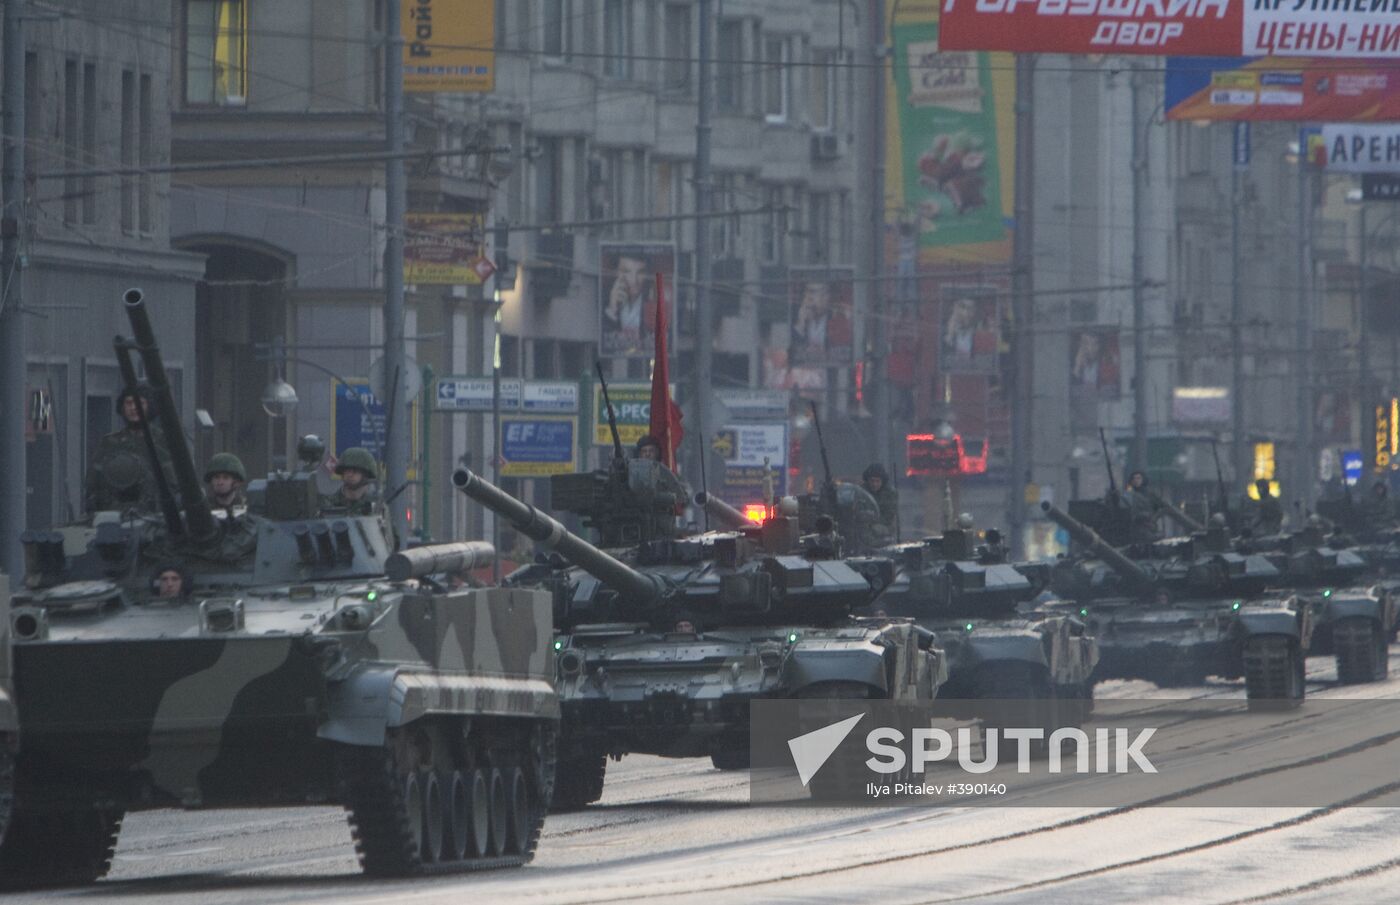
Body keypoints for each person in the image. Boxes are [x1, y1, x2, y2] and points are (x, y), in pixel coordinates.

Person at [85, 387, 171, 513]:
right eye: (129, 403)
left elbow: (175, 483)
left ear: (150, 406)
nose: (133, 408)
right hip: (114, 512)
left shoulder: (164, 441)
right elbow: (93, 481)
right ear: (122, 407)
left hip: (157, 513)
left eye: (139, 403)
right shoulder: (110, 442)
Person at [601, 251, 655, 355]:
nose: (633, 280)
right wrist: (612, 310)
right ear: (615, 272)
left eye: (640, 272)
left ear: (647, 275)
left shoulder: (653, 300)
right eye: (626, 272)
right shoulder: (603, 300)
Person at [791, 280, 852, 366]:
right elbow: (791, 354)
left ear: (827, 296)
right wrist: (800, 325)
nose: (808, 298)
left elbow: (843, 353)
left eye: (813, 292)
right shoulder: (796, 317)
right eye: (806, 292)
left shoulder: (838, 318)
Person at [325, 447, 380, 515]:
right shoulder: (329, 503)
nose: (350, 474)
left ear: (366, 474)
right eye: (347, 470)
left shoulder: (378, 505)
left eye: (355, 470)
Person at [861, 463, 899, 540]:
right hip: (863, 526)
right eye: (872, 481)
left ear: (883, 481)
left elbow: (889, 517)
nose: (874, 484)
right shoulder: (861, 491)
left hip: (884, 525)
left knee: (874, 530)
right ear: (867, 480)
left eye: (877, 481)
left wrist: (872, 521)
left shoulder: (890, 494)